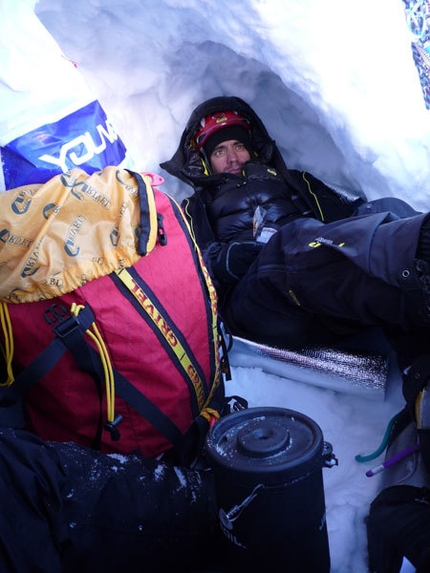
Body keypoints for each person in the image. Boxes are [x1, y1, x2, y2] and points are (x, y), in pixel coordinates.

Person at [161, 95, 430, 573]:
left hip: (320, 276)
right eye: (220, 151)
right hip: (259, 303)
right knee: (294, 242)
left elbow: (353, 214)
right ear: (203, 162)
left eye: (239, 146)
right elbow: (183, 269)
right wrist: (226, 259)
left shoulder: (294, 181)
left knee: (387, 210)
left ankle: (424, 379)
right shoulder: (195, 206)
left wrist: (368, 217)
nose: (233, 157)